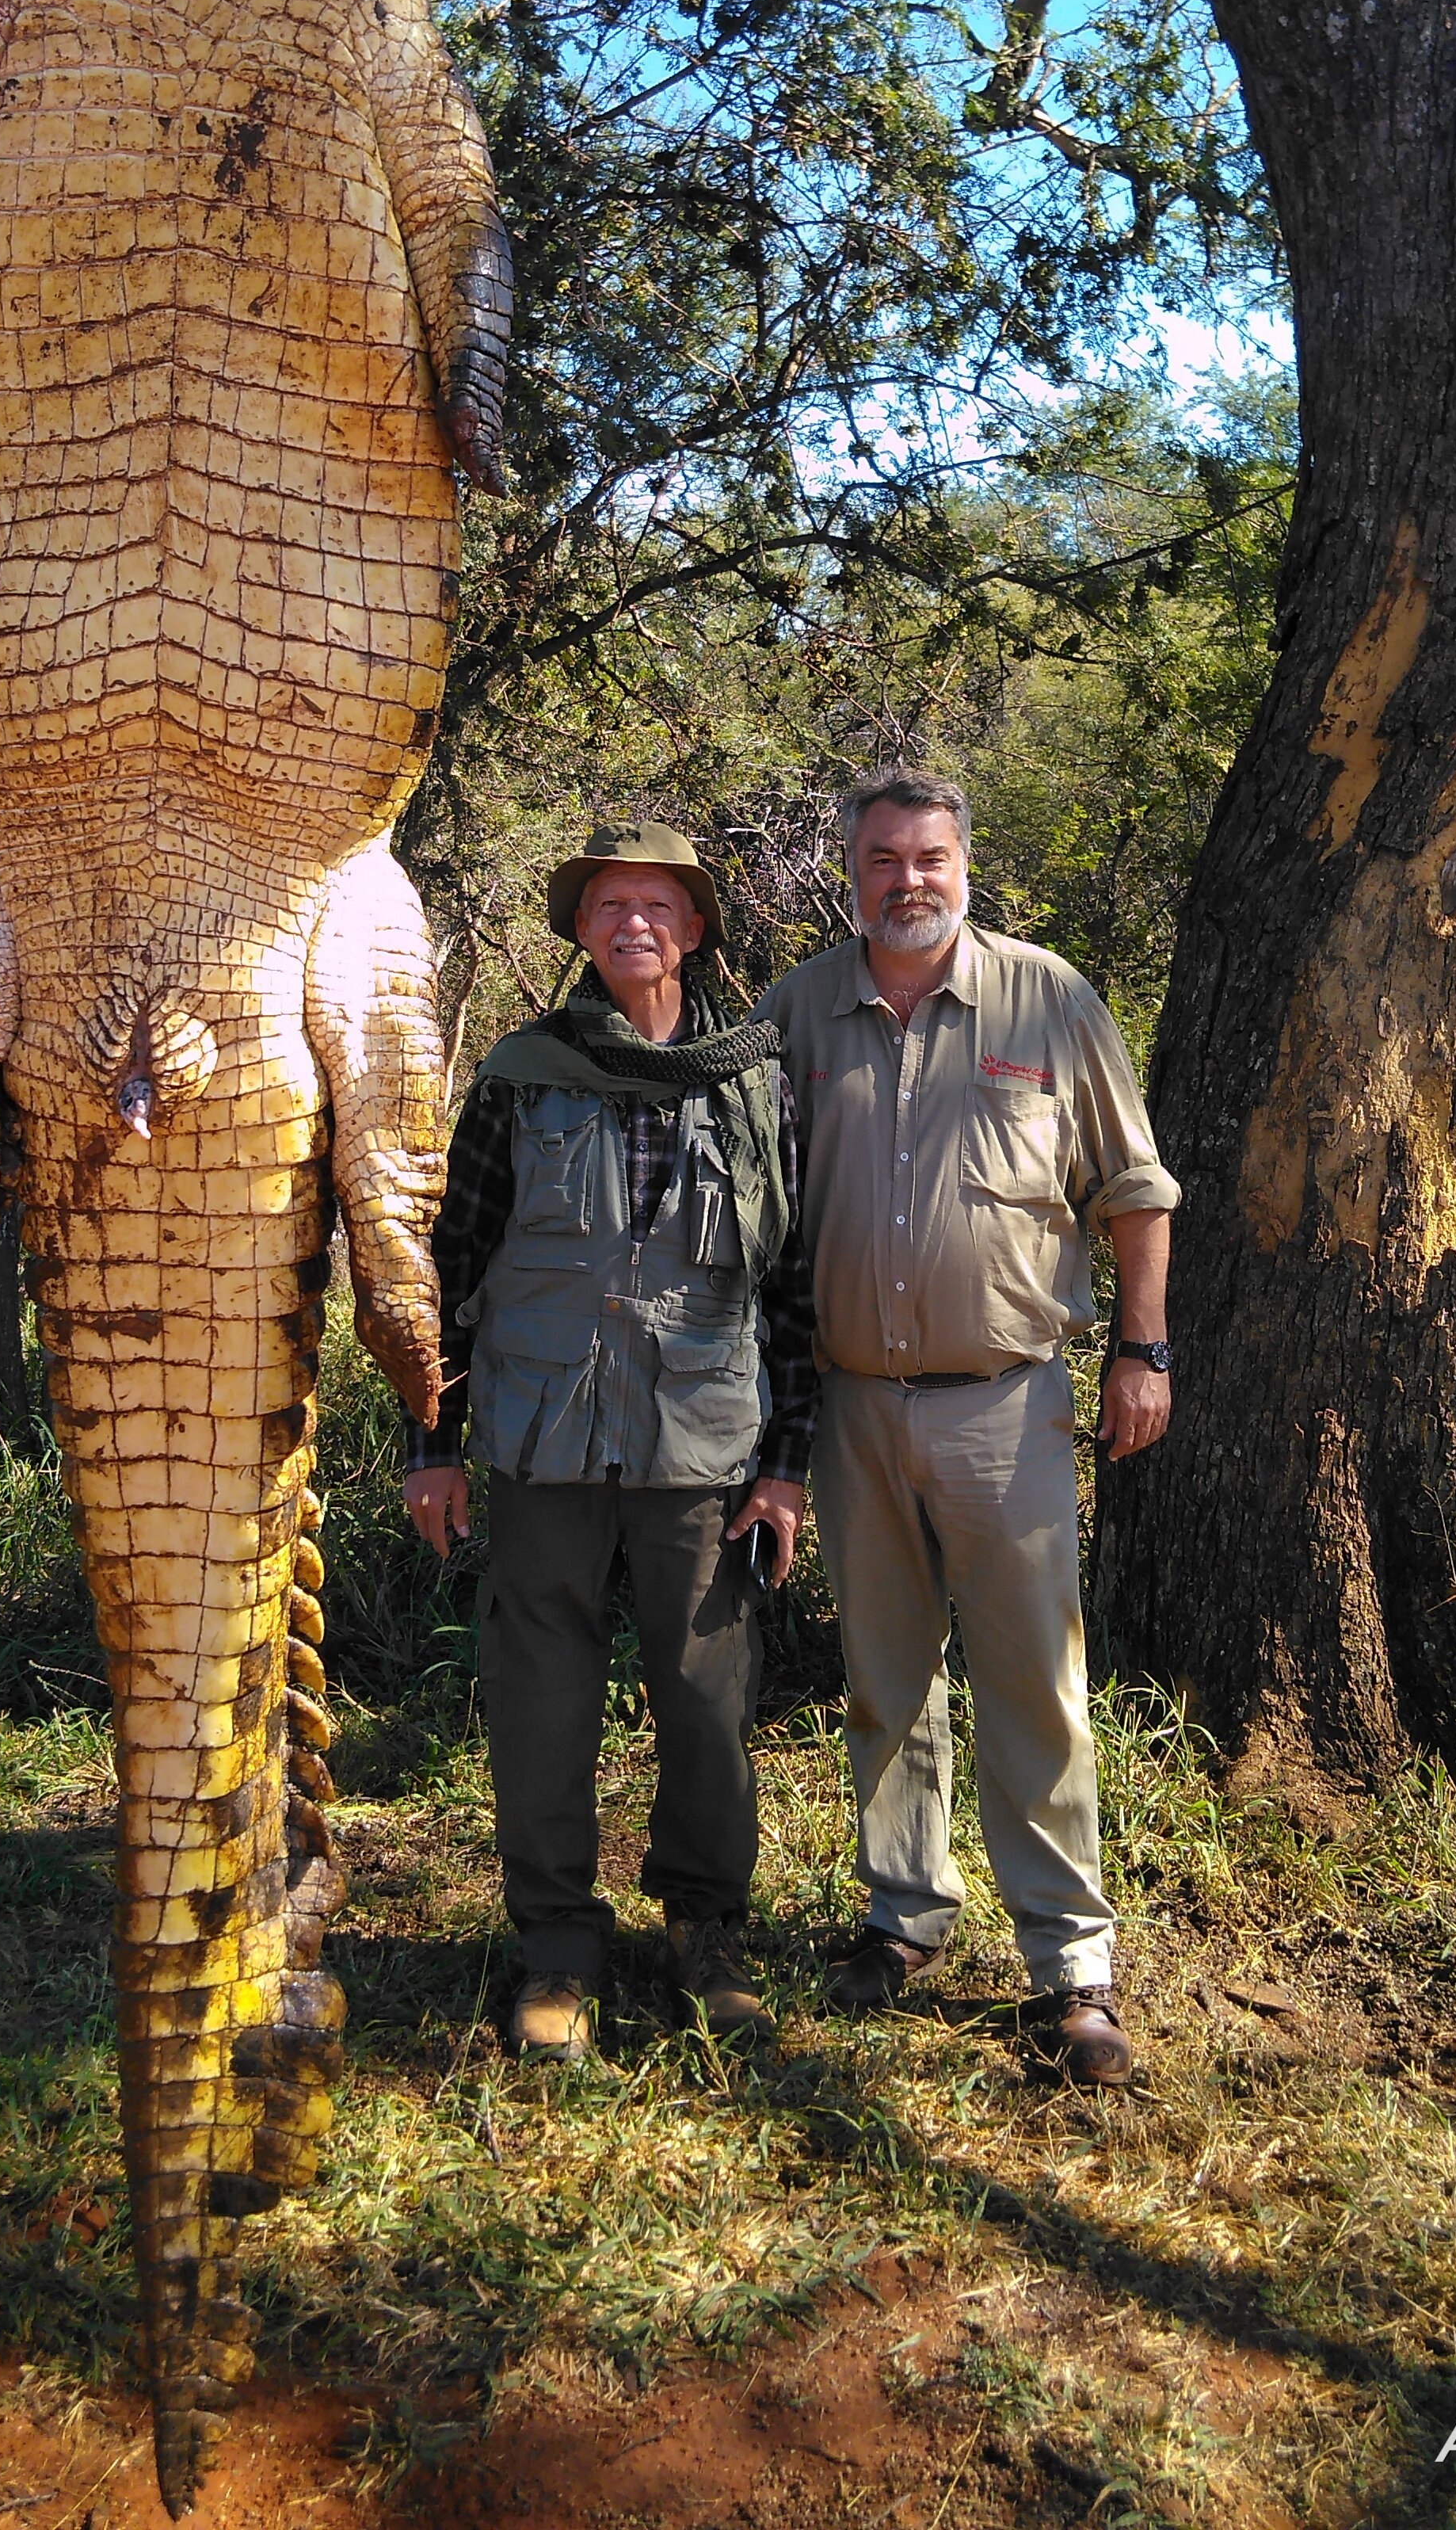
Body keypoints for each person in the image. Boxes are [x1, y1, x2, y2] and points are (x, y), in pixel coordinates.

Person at [757, 768, 1178, 2085]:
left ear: (964, 860)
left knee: (1034, 1686)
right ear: (851, 869)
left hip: (1006, 1405)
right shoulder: (796, 1014)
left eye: (930, 857)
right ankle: (904, 1917)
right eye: (882, 860)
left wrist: (1142, 1347)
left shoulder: (1046, 1000)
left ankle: (1070, 1966)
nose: (908, 881)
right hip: (848, 1410)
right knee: (884, 1681)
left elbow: (1134, 1186)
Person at [403, 821, 816, 2060]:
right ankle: (554, 1951)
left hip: (704, 1449)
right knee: (540, 1701)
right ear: (579, 930)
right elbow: (448, 1267)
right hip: (543, 1442)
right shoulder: (522, 1073)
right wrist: (432, 1442)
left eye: (658, 905)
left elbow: (790, 1284)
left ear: (695, 930)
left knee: (704, 1696)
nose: (632, 923)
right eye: (608, 905)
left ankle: (708, 1935)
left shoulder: (756, 1081)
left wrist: (787, 1465)